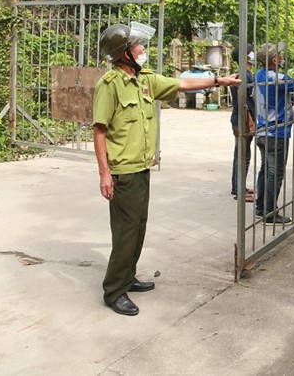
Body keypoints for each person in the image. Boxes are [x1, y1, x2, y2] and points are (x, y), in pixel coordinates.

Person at [93, 22, 240, 316]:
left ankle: (127, 277)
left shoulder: (144, 80)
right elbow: (99, 130)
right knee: (125, 232)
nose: (143, 50)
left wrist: (219, 82)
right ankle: (114, 290)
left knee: (139, 227)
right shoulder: (109, 85)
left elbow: (181, 84)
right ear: (123, 53)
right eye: (138, 46)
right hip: (123, 170)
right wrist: (104, 174)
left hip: (142, 167)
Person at [253, 42, 294, 225]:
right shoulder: (279, 78)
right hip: (277, 132)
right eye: (279, 54)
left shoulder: (259, 75)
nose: (282, 56)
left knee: (265, 169)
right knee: (275, 172)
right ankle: (269, 213)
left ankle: (261, 207)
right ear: (274, 60)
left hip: (262, 130)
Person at [230, 45, 256, 202]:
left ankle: (239, 186)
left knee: (242, 155)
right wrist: (250, 122)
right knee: (242, 156)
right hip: (243, 120)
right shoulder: (244, 76)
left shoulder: (244, 74)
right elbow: (243, 102)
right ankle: (238, 191)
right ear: (246, 57)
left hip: (242, 119)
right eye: (250, 52)